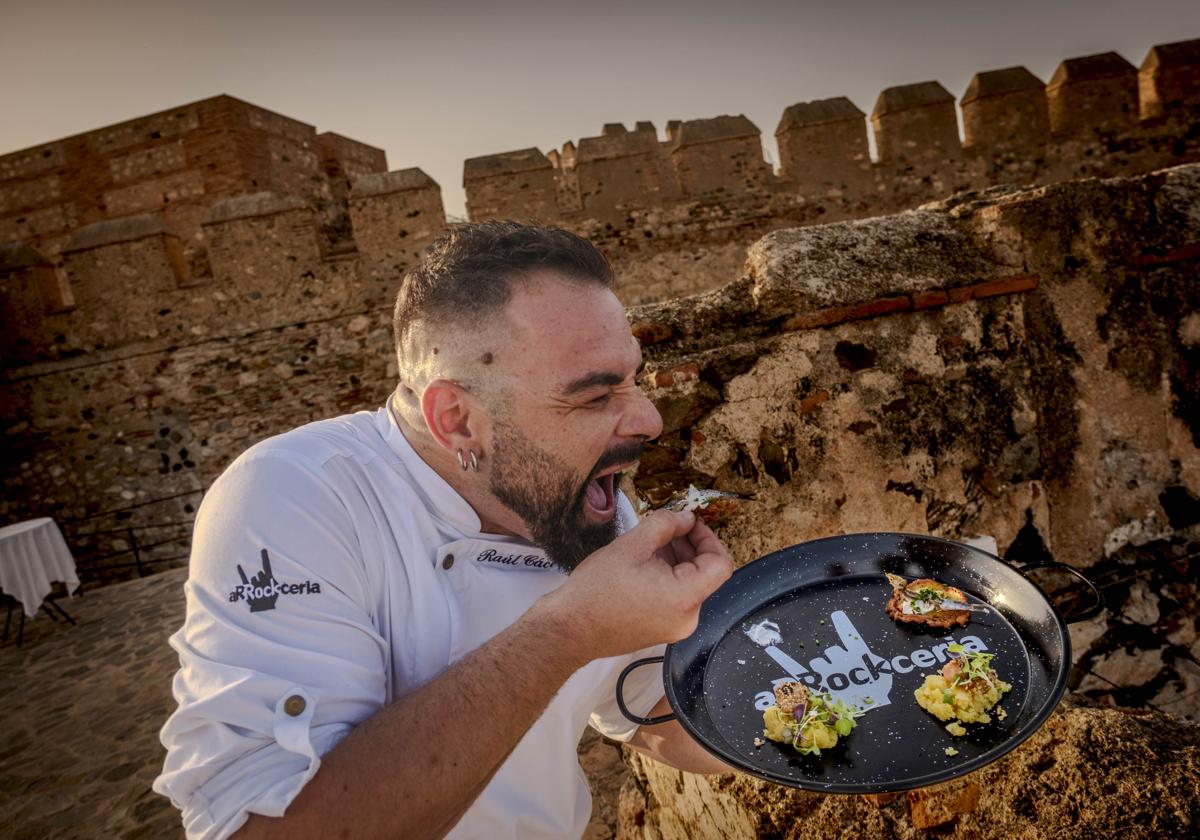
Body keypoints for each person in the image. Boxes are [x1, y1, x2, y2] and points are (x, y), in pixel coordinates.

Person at [154, 221, 736, 839]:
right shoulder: (294, 495)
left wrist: (815, 705)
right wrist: (569, 629)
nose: (647, 418)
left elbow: (647, 702)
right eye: (595, 396)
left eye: (633, 379)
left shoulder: (582, 502)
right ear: (457, 420)